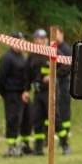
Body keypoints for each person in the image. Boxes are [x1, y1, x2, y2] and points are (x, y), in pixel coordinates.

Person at [0, 32, 31, 157]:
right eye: (20, 41)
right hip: (12, 93)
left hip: (23, 93)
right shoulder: (7, 57)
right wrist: (3, 92)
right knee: (13, 120)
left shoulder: (22, 56)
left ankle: (24, 145)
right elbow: (0, 77)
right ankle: (12, 147)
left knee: (26, 119)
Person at [22, 28, 55, 156]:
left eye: (44, 38)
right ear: (35, 40)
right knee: (37, 119)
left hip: (49, 91)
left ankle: (64, 144)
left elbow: (66, 66)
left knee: (54, 118)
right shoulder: (32, 56)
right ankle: (38, 148)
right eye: (40, 38)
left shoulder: (52, 51)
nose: (42, 40)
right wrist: (25, 90)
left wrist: (53, 76)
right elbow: (27, 75)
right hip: (37, 92)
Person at [52, 25, 73, 154]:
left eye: (56, 33)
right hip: (54, 85)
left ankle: (64, 138)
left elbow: (69, 66)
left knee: (64, 110)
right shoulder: (52, 49)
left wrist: (56, 74)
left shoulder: (66, 50)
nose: (54, 36)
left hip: (64, 83)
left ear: (62, 34)